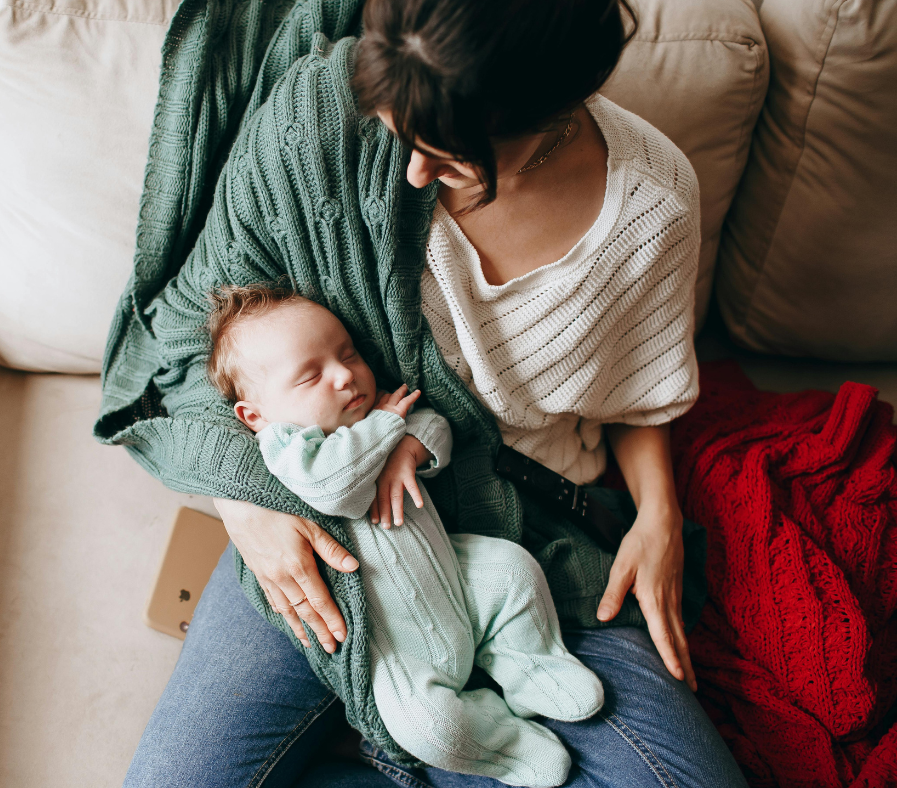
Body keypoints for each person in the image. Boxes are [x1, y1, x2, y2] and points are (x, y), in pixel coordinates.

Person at [118, 0, 750, 784]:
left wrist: (658, 517)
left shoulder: (652, 206)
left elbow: (636, 393)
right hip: (322, 528)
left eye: (448, 154)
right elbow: (184, 340)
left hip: (532, 538)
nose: (413, 172)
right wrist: (248, 510)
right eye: (398, 130)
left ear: (551, 105)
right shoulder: (320, 116)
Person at [205, 284, 604, 785]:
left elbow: (436, 424)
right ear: (256, 415)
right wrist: (387, 427)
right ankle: (505, 745)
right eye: (311, 375)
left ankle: (531, 665)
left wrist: (410, 446)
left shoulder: (379, 418)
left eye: (348, 353)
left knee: (512, 570)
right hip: (396, 644)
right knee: (427, 726)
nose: (346, 375)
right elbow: (332, 487)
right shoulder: (286, 447)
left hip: (455, 577)